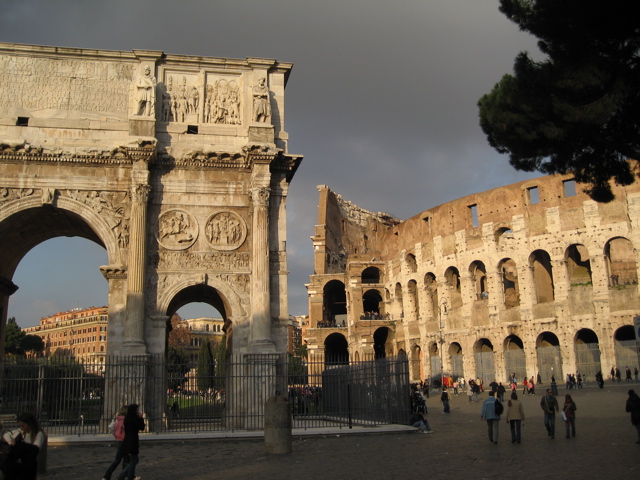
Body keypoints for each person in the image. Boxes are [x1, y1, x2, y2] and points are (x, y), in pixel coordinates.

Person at [1, 412, 46, 480]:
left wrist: (19, 445)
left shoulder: (39, 434)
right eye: (20, 426)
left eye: (23, 426)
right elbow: (6, 435)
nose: (21, 428)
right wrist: (11, 443)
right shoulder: (21, 432)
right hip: (17, 464)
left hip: (28, 466)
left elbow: (35, 449)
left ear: (30, 424)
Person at [117, 404, 145, 480]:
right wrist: (141, 418)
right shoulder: (135, 419)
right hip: (133, 441)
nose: (138, 411)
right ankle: (123, 475)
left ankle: (128, 476)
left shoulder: (127, 419)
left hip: (127, 441)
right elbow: (142, 427)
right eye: (137, 410)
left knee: (133, 460)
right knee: (134, 461)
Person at [102, 406, 128, 480]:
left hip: (118, 440)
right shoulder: (125, 421)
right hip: (124, 441)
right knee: (123, 460)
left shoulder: (118, 421)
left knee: (124, 459)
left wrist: (116, 436)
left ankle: (121, 476)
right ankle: (107, 476)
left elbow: (111, 428)